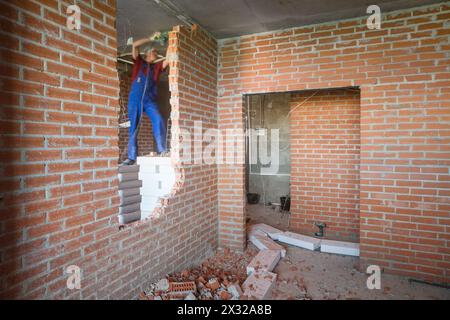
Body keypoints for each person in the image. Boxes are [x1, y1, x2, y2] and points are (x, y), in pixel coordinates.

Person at [121, 36, 170, 166]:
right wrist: (151, 37)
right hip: (135, 98)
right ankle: (131, 157)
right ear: (148, 53)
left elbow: (169, 59)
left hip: (149, 101)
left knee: (158, 119)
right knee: (134, 126)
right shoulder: (139, 63)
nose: (157, 54)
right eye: (155, 51)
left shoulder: (156, 67)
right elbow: (135, 44)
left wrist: (171, 41)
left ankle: (162, 150)